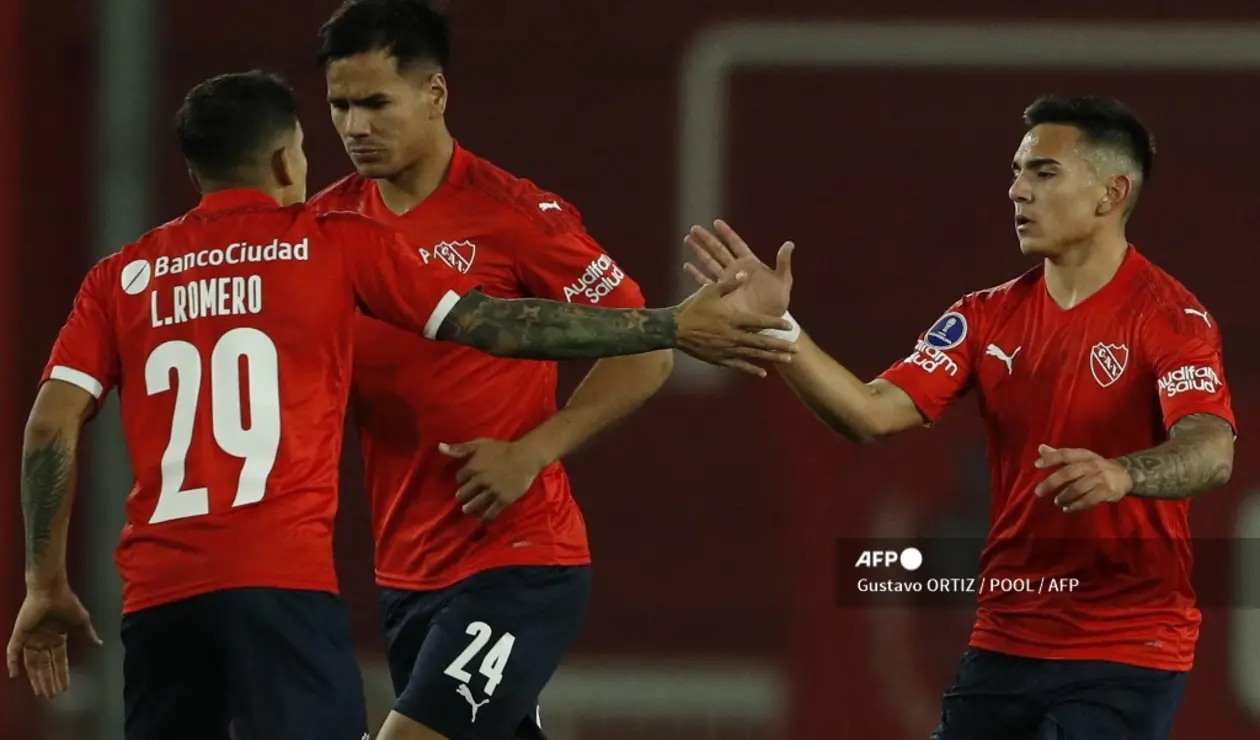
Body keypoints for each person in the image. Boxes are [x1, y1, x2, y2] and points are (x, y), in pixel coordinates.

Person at [3, 70, 796, 740]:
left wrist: (43, 584)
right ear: (286, 158)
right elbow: (496, 323)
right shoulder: (329, 241)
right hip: (282, 588)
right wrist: (668, 325)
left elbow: (48, 427)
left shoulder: (121, 278)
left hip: (158, 601)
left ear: (194, 171)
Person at [684, 96, 1236, 740]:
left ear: (1112, 192)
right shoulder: (984, 317)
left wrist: (1123, 474)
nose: (1017, 190)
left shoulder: (1170, 317)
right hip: (1005, 640)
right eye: (1016, 172)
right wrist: (781, 330)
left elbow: (1210, 448)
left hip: (1126, 646)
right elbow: (869, 413)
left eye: (1044, 173)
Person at [307, 2, 788, 739]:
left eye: (376, 102)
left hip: (517, 559)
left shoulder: (516, 215)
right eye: (340, 104)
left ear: (434, 94)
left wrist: (533, 452)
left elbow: (649, 347)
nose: (354, 126)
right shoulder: (328, 230)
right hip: (404, 573)